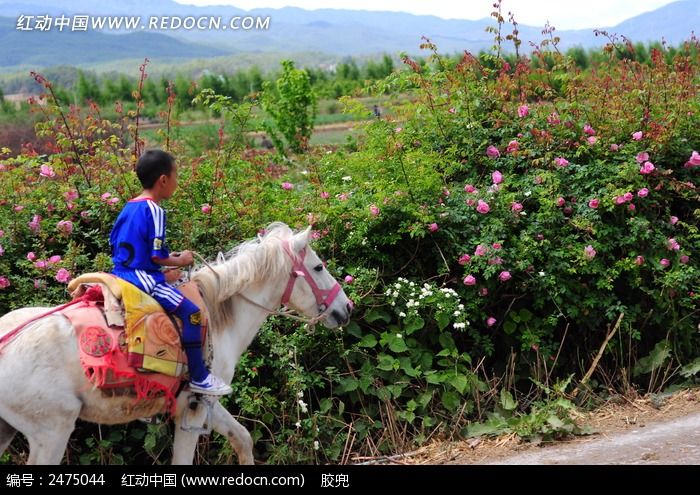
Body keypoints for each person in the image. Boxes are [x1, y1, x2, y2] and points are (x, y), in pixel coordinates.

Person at [110, 149, 232, 395]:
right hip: (141, 277)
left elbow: (134, 246)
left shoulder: (129, 206)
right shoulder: (155, 210)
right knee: (192, 313)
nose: (177, 181)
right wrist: (182, 260)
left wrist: (168, 260)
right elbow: (156, 256)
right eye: (176, 175)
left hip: (120, 272)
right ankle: (199, 376)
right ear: (163, 180)